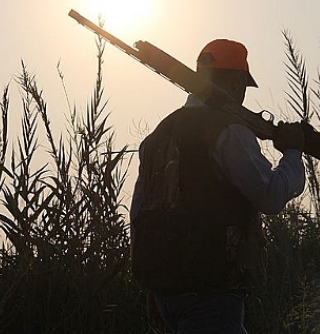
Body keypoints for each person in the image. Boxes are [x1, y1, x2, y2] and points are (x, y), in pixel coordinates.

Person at [130, 39, 306, 334]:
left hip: (166, 292)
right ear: (237, 81)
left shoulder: (158, 135)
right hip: (211, 289)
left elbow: (140, 214)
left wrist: (152, 287)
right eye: (242, 85)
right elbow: (271, 197)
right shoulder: (228, 131)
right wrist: (293, 151)